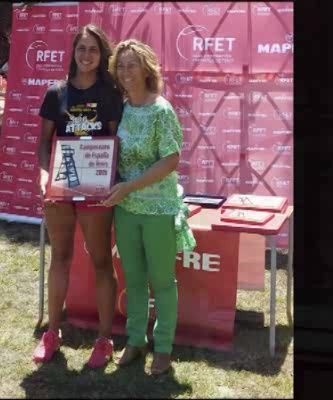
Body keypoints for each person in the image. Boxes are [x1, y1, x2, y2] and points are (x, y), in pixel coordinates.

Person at [103, 39, 196, 375]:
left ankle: (164, 348)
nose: (126, 72)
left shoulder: (162, 110)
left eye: (132, 65)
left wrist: (129, 185)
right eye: (121, 66)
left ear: (146, 68)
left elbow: (170, 160)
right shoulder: (121, 108)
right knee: (135, 278)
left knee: (162, 280)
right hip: (126, 208)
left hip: (158, 209)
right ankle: (135, 340)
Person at [34, 24, 124, 368]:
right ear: (72, 52)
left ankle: (104, 339)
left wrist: (106, 182)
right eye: (81, 48)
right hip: (60, 186)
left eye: (93, 50)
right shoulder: (55, 93)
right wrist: (44, 174)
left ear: (102, 56)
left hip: (96, 189)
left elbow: (115, 143)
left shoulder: (111, 93)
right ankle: (52, 333)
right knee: (60, 257)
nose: (86, 55)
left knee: (102, 261)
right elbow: (44, 142)